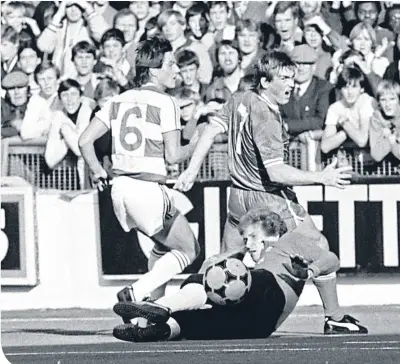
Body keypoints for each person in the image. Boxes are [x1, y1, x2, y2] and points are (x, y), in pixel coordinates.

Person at [174, 51, 365, 334]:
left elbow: (210, 131)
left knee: (225, 260)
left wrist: (191, 170)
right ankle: (334, 316)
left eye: (293, 76)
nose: (292, 83)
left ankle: (177, 305)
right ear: (265, 81)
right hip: (269, 200)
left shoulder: (240, 98)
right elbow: (276, 173)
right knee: (320, 247)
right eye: (284, 78)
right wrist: (320, 177)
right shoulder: (268, 118)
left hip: (238, 197)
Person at [78, 37, 201, 320]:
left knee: (162, 247)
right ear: (155, 70)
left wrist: (98, 170)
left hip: (119, 189)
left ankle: (148, 315)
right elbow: (173, 156)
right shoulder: (166, 102)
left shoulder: (116, 101)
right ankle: (137, 293)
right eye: (170, 64)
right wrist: (198, 139)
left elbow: (85, 140)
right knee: (188, 249)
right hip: (147, 189)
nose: (176, 70)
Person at [112, 207, 367, 342]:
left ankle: (158, 306)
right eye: (246, 239)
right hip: (255, 326)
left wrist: (309, 271)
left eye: (253, 237)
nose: (249, 244)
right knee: (191, 323)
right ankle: (150, 329)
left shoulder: (289, 242)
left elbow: (331, 259)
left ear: (271, 230)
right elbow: (211, 265)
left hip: (269, 290)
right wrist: (230, 254)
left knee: (213, 279)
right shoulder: (248, 260)